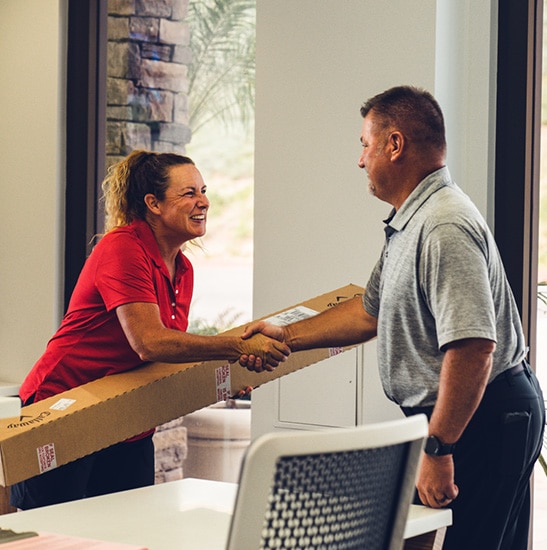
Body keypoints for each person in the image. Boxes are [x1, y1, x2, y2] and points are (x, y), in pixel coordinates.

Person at [240, 86, 545, 549]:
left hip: (483, 416)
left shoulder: (443, 224)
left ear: (395, 144)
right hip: (453, 416)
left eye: (365, 144)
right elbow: (369, 313)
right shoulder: (410, 220)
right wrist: (285, 335)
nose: (360, 160)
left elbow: (474, 347)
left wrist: (439, 447)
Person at [10, 150, 289, 510]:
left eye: (203, 191)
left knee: (124, 530)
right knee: (53, 533)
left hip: (125, 419)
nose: (203, 201)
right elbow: (149, 342)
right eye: (188, 193)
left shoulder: (183, 269)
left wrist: (226, 372)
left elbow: (166, 356)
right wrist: (236, 346)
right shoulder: (122, 247)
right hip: (63, 409)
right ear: (153, 203)